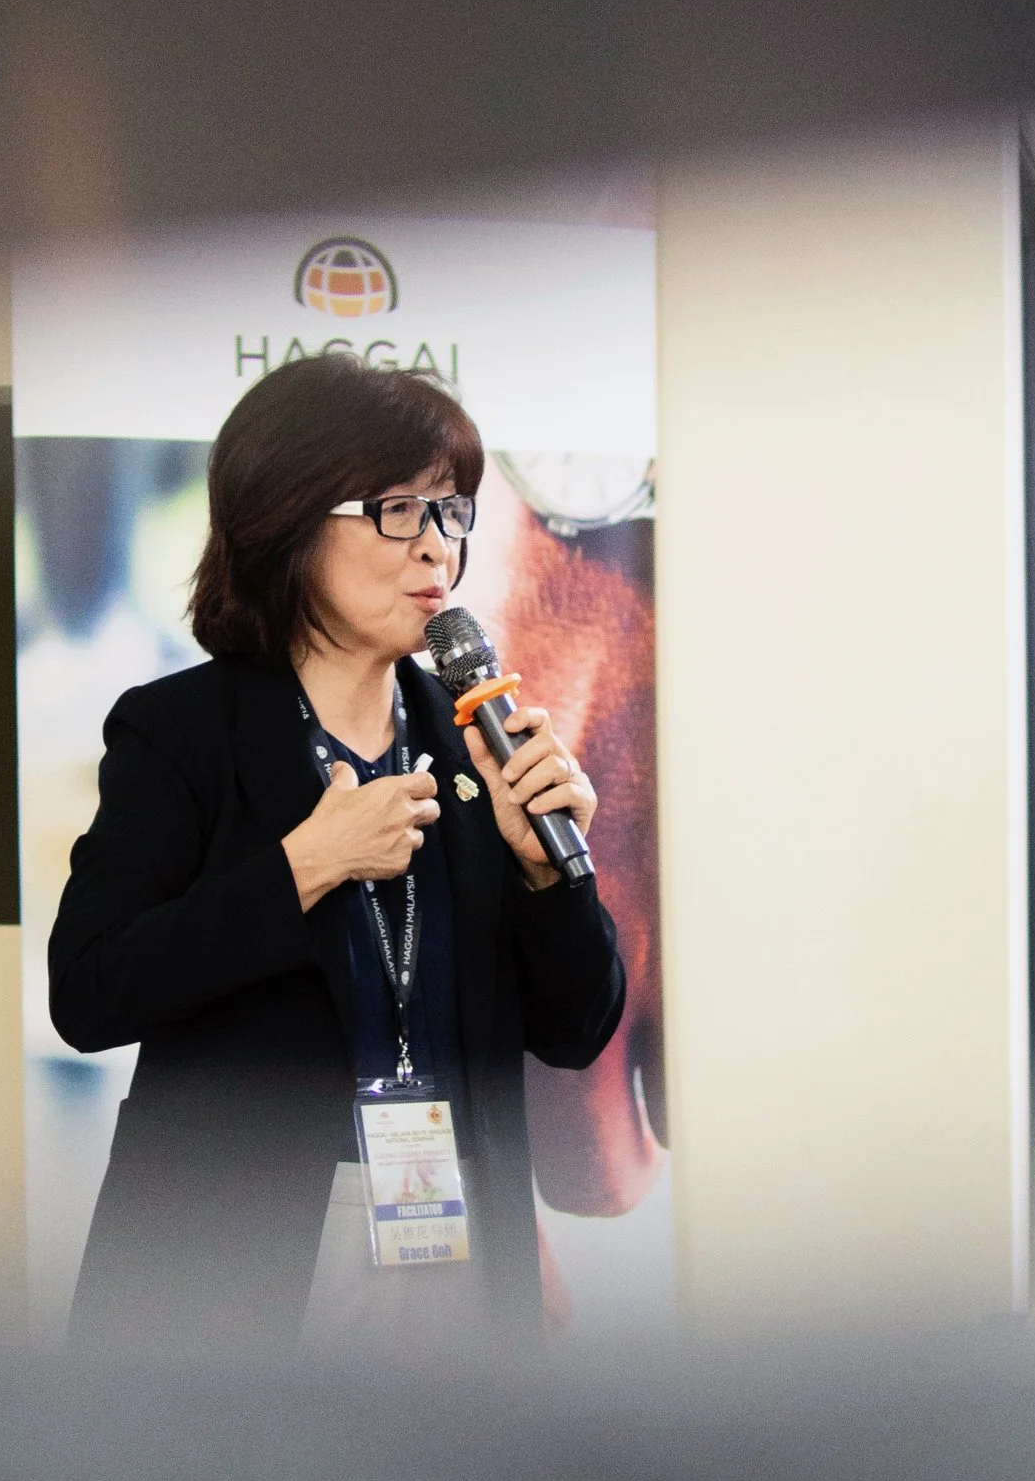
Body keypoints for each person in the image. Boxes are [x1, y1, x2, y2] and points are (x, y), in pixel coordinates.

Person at [49, 354, 625, 1351]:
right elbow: (90, 993)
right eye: (398, 510)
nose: (437, 545)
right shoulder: (182, 731)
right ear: (288, 520)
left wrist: (545, 877)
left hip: (455, 1234)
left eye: (451, 510)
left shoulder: (476, 740)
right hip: (235, 1260)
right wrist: (303, 867)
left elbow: (575, 1032)